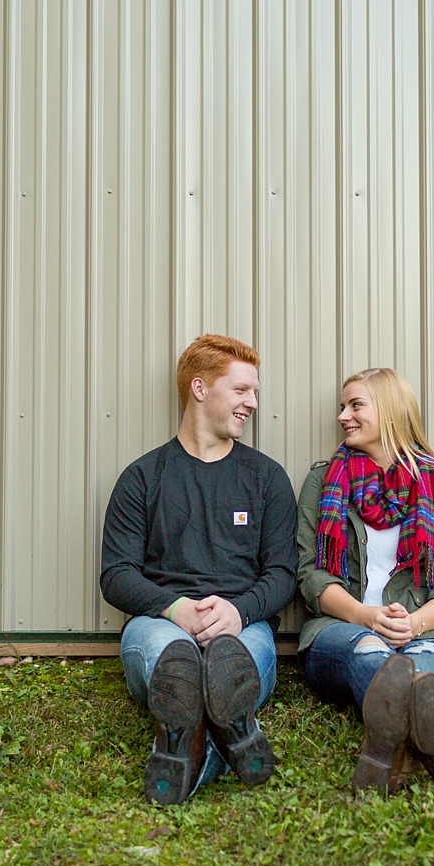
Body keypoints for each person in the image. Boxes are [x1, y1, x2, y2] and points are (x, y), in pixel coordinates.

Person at [100, 334, 297, 805]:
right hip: (160, 625)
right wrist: (173, 609)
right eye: (242, 390)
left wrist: (240, 612)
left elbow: (283, 573)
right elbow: (116, 574)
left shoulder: (266, 478)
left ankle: (186, 749)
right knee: (176, 664)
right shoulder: (143, 478)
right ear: (200, 388)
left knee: (232, 662)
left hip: (241, 627)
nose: (252, 403)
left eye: (255, 393)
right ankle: (229, 730)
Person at [296, 367, 434, 792]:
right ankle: (430, 745)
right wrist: (366, 616)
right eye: (343, 407)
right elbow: (309, 572)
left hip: (426, 628)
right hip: (341, 628)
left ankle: (390, 748)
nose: (343, 416)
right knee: (375, 659)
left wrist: (412, 624)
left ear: (392, 412)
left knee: (425, 667)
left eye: (356, 405)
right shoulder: (323, 482)